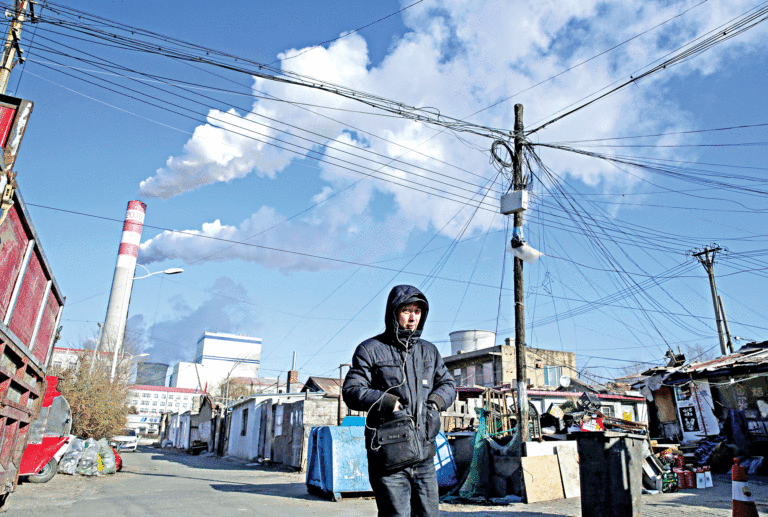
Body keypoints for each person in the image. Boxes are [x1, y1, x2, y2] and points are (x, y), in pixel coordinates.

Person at [342, 285, 456, 517]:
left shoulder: (429, 351)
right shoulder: (371, 349)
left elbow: (449, 385)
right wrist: (385, 401)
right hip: (389, 457)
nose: (413, 317)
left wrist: (434, 402)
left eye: (418, 311)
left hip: (424, 456)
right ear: (393, 312)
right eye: (406, 310)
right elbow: (352, 390)